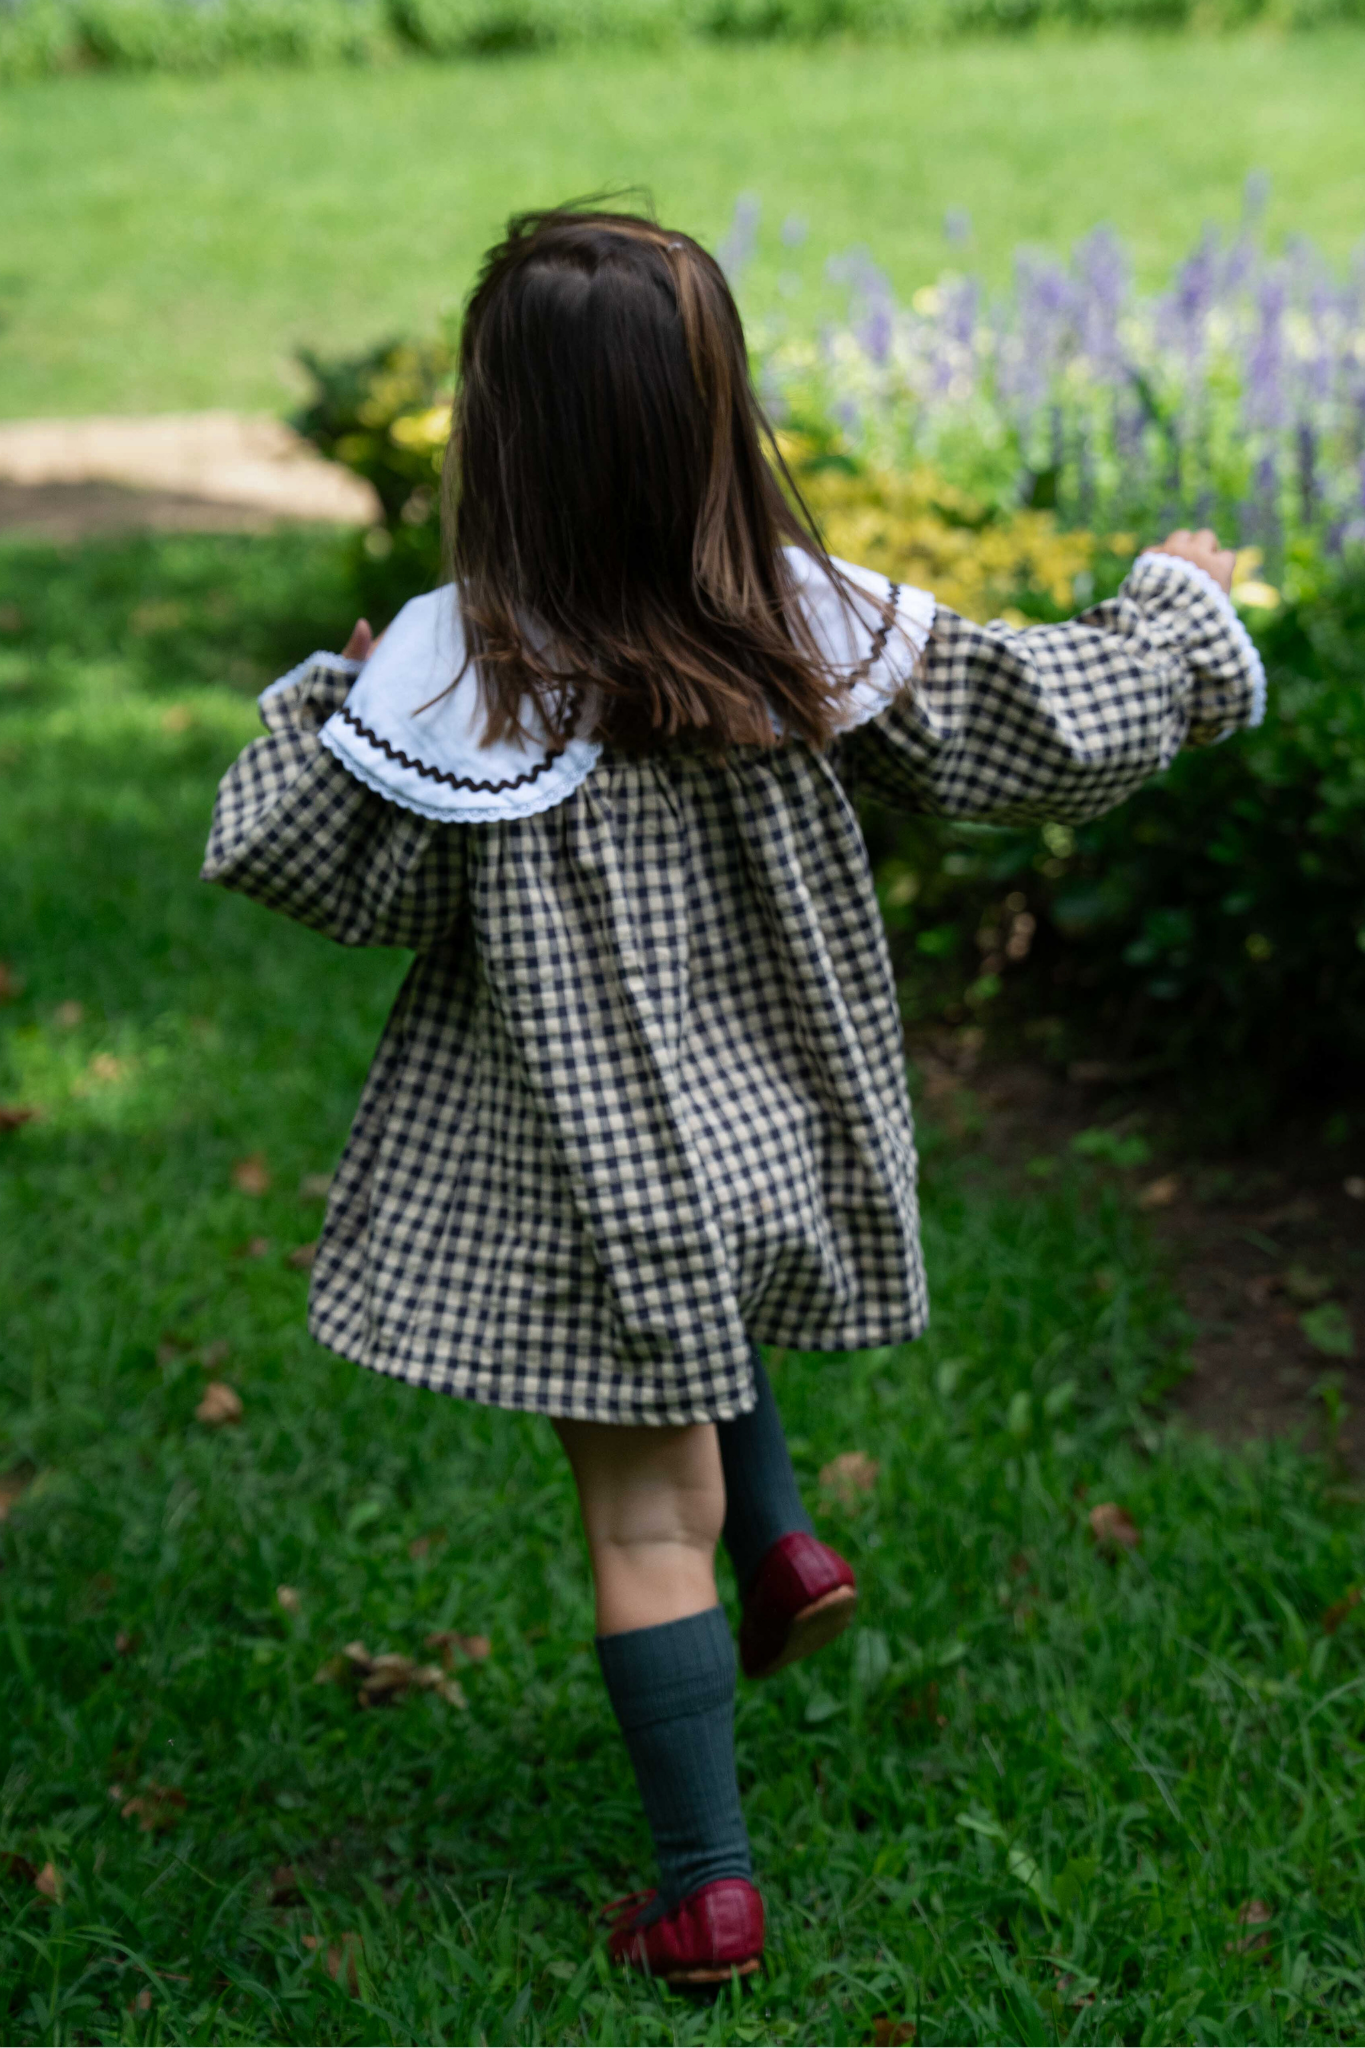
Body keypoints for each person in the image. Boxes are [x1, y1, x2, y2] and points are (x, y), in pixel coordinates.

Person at [202, 206, 1264, 1985]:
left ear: (497, 437)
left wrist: (343, 694)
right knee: (704, 1307)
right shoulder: (795, 622)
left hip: (585, 1173)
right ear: (714, 420)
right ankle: (777, 1544)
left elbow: (324, 870)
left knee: (643, 1517)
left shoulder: (460, 671)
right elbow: (1028, 723)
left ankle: (705, 1886)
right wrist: (1174, 620)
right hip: (770, 1120)